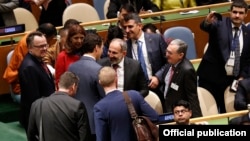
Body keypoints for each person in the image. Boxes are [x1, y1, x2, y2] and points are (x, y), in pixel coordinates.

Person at [197, 0, 250, 113]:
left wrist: (242, 76)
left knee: (227, 112)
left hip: (231, 79)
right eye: (234, 12)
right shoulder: (220, 24)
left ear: (246, 14)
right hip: (211, 78)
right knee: (210, 111)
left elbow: (248, 60)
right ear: (230, 12)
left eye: (240, 13)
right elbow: (206, 27)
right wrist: (207, 22)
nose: (237, 15)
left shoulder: (247, 32)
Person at [94, 66, 159, 141]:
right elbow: (154, 117)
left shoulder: (99, 107)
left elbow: (101, 138)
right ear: (116, 78)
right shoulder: (134, 95)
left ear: (100, 82)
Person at [27, 71, 91, 141]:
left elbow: (31, 135)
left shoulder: (37, 104)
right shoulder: (77, 106)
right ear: (73, 86)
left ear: (57, 85)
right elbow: (84, 137)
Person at [3, 23, 57, 103]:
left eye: (46, 45)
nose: (46, 48)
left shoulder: (34, 40)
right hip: (21, 89)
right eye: (50, 39)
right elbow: (33, 94)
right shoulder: (29, 66)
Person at [68, 33, 105, 140]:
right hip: (94, 121)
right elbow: (103, 97)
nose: (102, 51)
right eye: (102, 48)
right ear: (96, 48)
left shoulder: (71, 67)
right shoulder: (99, 69)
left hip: (74, 119)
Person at [151, 39, 202, 117]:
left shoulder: (187, 70)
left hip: (180, 114)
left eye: (170, 53)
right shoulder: (170, 62)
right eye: (167, 51)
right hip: (168, 109)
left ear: (180, 55)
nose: (166, 55)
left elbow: (192, 97)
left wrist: (197, 120)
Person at [122, 13, 167, 99]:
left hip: (159, 87)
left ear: (140, 26)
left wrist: (158, 77)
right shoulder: (125, 47)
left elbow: (168, 62)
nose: (127, 30)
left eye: (130, 26)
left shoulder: (156, 39)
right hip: (138, 92)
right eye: (125, 27)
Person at [18, 31, 55, 131]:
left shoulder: (37, 60)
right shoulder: (29, 67)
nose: (44, 49)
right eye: (40, 46)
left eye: (45, 45)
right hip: (37, 118)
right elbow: (33, 99)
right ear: (30, 47)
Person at [55, 24, 86, 89]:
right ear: (70, 39)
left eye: (82, 38)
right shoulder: (62, 56)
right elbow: (59, 80)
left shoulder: (86, 53)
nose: (79, 41)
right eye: (76, 38)